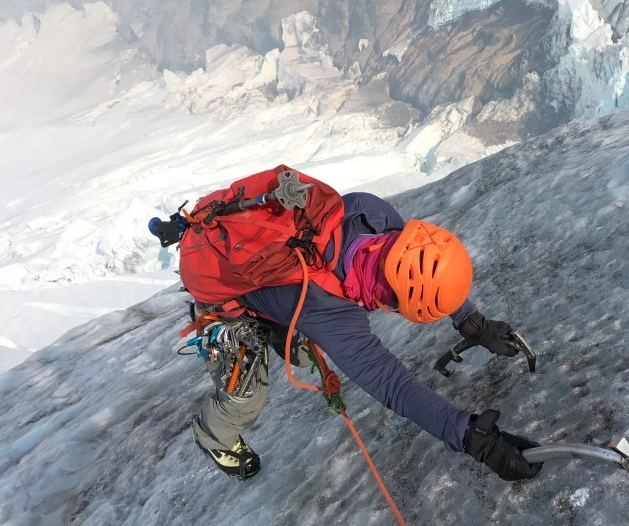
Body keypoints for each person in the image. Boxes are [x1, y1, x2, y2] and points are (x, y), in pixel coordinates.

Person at [183, 184, 543, 484]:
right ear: (392, 302)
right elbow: (393, 386)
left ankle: (278, 320)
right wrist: (472, 439)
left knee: (299, 346)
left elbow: (426, 270)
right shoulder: (328, 314)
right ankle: (215, 435)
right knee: (245, 396)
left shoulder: (372, 214)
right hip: (225, 296)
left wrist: (471, 322)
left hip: (273, 277)